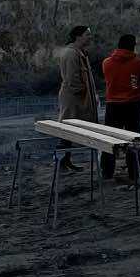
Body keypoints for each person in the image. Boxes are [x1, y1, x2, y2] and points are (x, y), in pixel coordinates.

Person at [99, 33, 140, 183]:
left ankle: (107, 171)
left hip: (113, 105)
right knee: (133, 139)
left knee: (110, 139)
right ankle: (134, 172)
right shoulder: (139, 63)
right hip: (133, 104)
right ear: (133, 46)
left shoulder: (106, 63)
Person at [54, 24, 101, 171]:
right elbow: (72, 80)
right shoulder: (71, 54)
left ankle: (65, 162)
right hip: (74, 100)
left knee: (70, 130)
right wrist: (84, 94)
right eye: (87, 34)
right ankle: (61, 162)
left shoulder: (79, 52)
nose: (90, 37)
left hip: (79, 98)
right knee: (68, 129)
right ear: (78, 36)